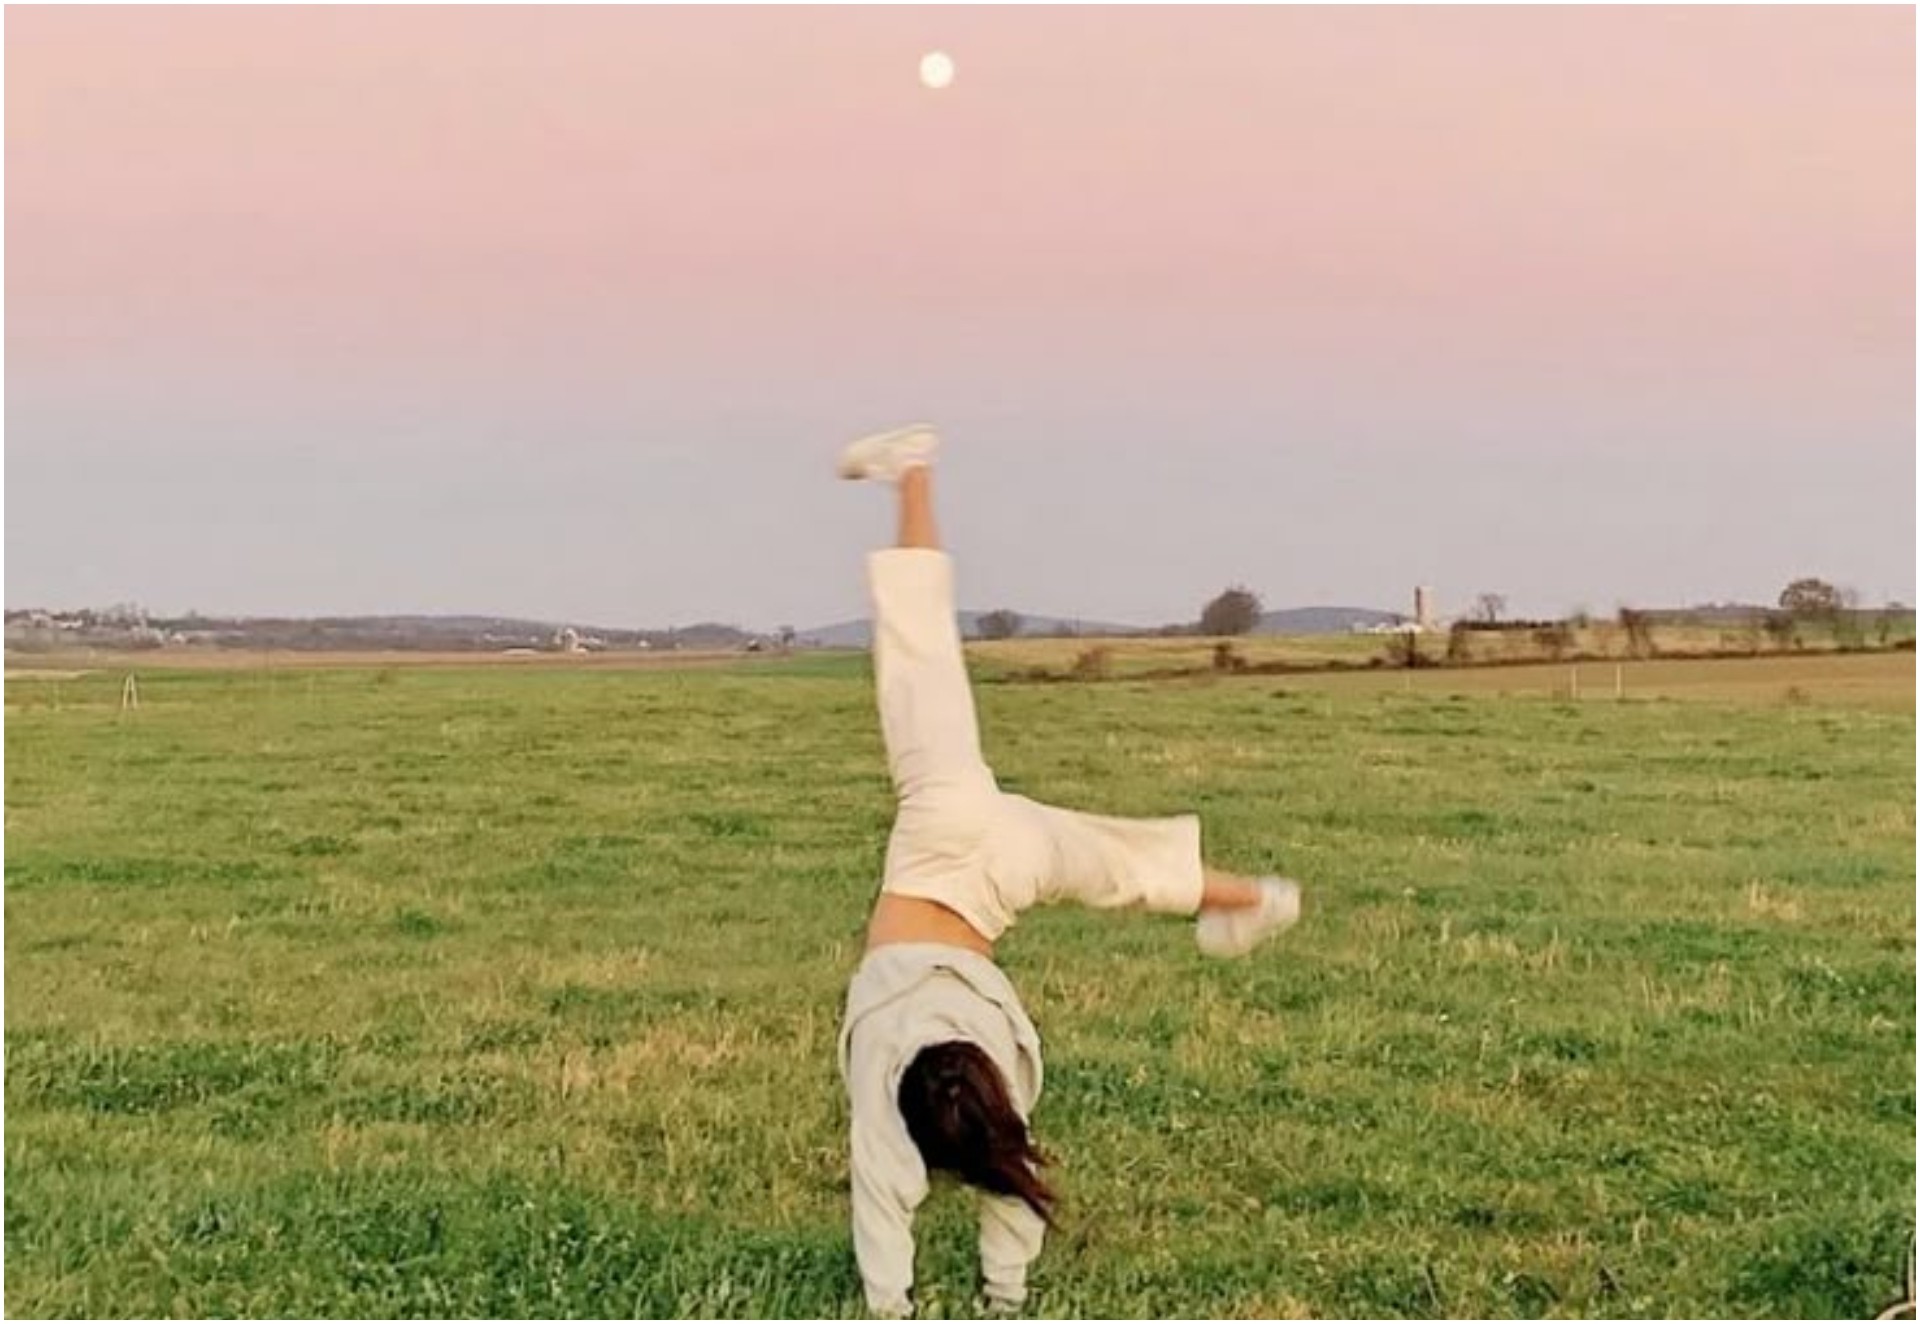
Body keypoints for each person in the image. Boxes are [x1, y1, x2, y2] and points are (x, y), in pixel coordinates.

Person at [836, 424, 1302, 1317]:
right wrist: (995, 1303)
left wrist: (904, 1309)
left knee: (1112, 864)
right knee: (919, 653)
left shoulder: (1005, 1074)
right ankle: (914, 468)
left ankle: (1258, 896)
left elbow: (891, 1203)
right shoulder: (914, 1081)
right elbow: (902, 1206)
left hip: (998, 871)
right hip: (947, 830)